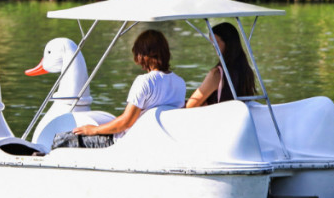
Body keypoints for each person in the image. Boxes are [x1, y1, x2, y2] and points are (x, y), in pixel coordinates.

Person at [53, 29, 185, 149]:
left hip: (126, 142)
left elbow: (126, 122)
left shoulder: (145, 81)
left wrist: (94, 130)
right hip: (154, 141)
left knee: (61, 139)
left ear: (144, 55)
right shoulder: (180, 84)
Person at [185, 23, 256, 108]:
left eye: (216, 42)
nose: (214, 47)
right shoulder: (246, 70)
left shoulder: (217, 74)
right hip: (238, 117)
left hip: (219, 119)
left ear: (228, 43)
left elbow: (190, 105)